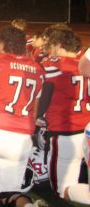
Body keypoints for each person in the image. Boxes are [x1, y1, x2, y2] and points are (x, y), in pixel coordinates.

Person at [0, 26, 45, 206]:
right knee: (8, 193)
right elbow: (34, 111)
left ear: (1, 43)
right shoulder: (37, 68)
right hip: (20, 139)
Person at [36, 28, 90, 204]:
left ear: (58, 45)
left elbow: (37, 89)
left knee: (62, 191)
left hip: (66, 133)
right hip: (87, 129)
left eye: (52, 46)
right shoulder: (84, 63)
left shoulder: (53, 63)